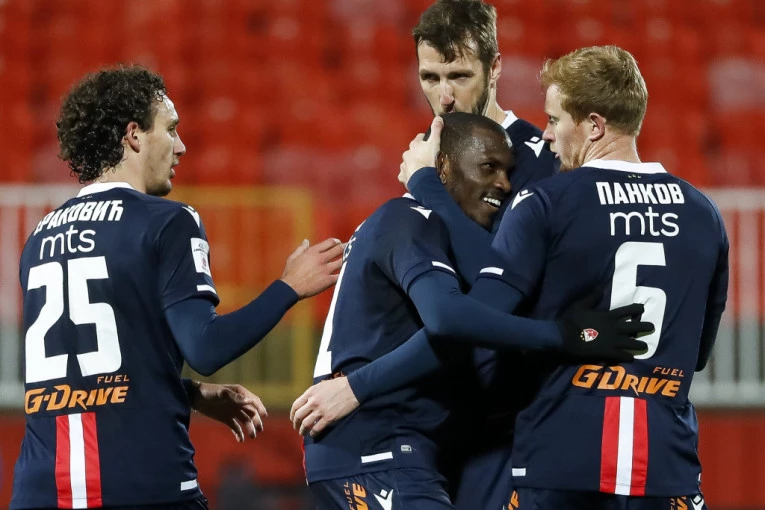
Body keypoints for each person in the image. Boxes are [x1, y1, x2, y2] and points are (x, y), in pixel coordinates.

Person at [293, 46, 728, 510]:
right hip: (667, 467)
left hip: (562, 462)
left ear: (594, 126)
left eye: (555, 119)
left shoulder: (548, 202)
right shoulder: (704, 214)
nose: (547, 135)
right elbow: (700, 354)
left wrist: (356, 385)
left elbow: (466, 321)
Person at [11, 65, 344, 510]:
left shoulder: (39, 238)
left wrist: (191, 394)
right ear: (134, 135)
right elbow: (206, 347)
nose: (181, 145)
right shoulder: (168, 221)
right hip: (142, 485)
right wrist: (288, 287)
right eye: (170, 129)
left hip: (41, 490)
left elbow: (80, 375)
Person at [407, 2, 561, 506]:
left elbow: (506, 285)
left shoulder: (537, 163)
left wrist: (426, 186)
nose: (444, 96)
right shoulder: (430, 158)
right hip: (441, 416)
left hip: (511, 422)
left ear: (495, 68)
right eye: (430, 77)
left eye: (459, 75)